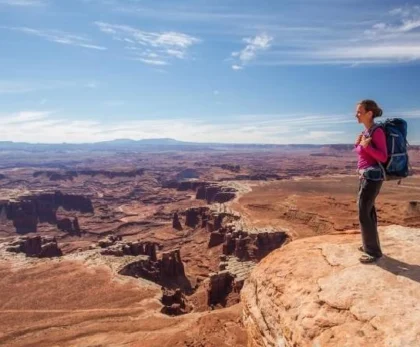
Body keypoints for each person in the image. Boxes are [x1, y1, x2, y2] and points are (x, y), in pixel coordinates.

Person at [354, 99, 388, 264]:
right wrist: (359, 144)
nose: (356, 115)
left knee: (363, 212)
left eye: (359, 112)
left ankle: (373, 252)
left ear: (369, 113)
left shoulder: (377, 131)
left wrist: (367, 147)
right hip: (365, 176)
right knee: (368, 211)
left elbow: (382, 156)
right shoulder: (366, 132)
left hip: (373, 177)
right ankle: (369, 245)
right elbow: (364, 155)